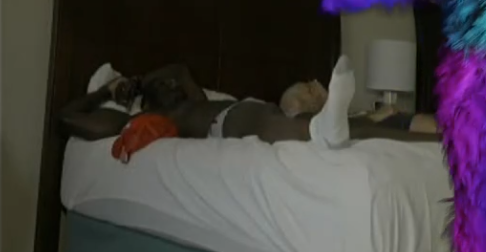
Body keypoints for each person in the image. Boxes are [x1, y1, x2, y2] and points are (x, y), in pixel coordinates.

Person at [59, 57, 355, 155]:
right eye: (162, 85)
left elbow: (179, 69)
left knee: (268, 114)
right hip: (225, 126)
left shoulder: (194, 99)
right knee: (264, 118)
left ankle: (339, 129)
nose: (172, 84)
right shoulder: (144, 118)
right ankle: (323, 130)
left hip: (239, 113)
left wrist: (139, 80)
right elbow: (67, 117)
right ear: (147, 98)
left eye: (171, 83)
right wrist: (106, 91)